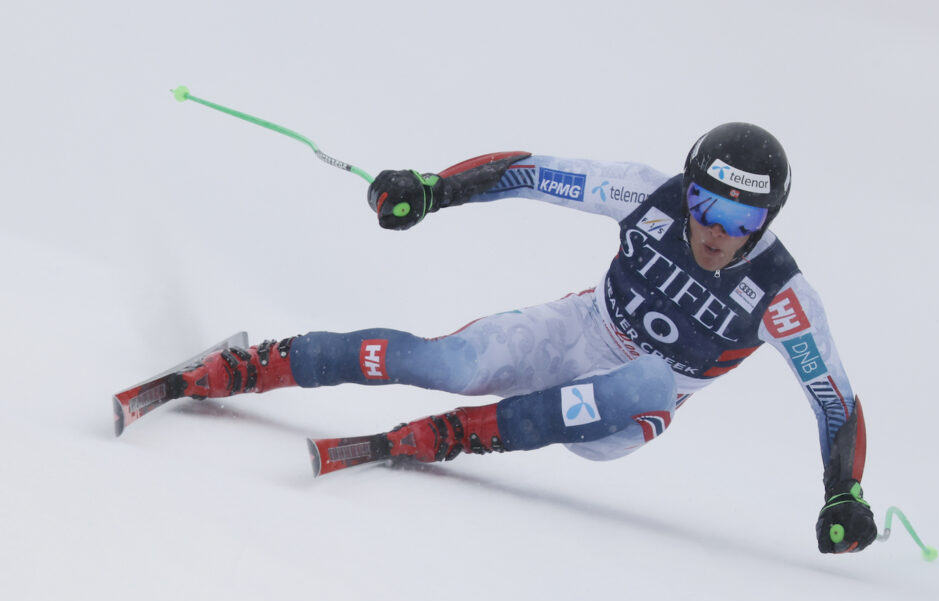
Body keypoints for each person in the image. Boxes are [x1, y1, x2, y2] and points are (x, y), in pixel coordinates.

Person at [175, 122, 877, 554]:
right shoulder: (645, 193)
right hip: (577, 330)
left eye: (741, 219)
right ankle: (252, 365)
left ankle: (459, 434)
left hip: (627, 412)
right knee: (444, 363)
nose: (716, 230)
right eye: (705, 203)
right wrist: (434, 190)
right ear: (686, 187)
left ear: (767, 221)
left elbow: (834, 402)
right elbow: (530, 173)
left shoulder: (784, 298)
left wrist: (842, 493)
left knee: (654, 379)